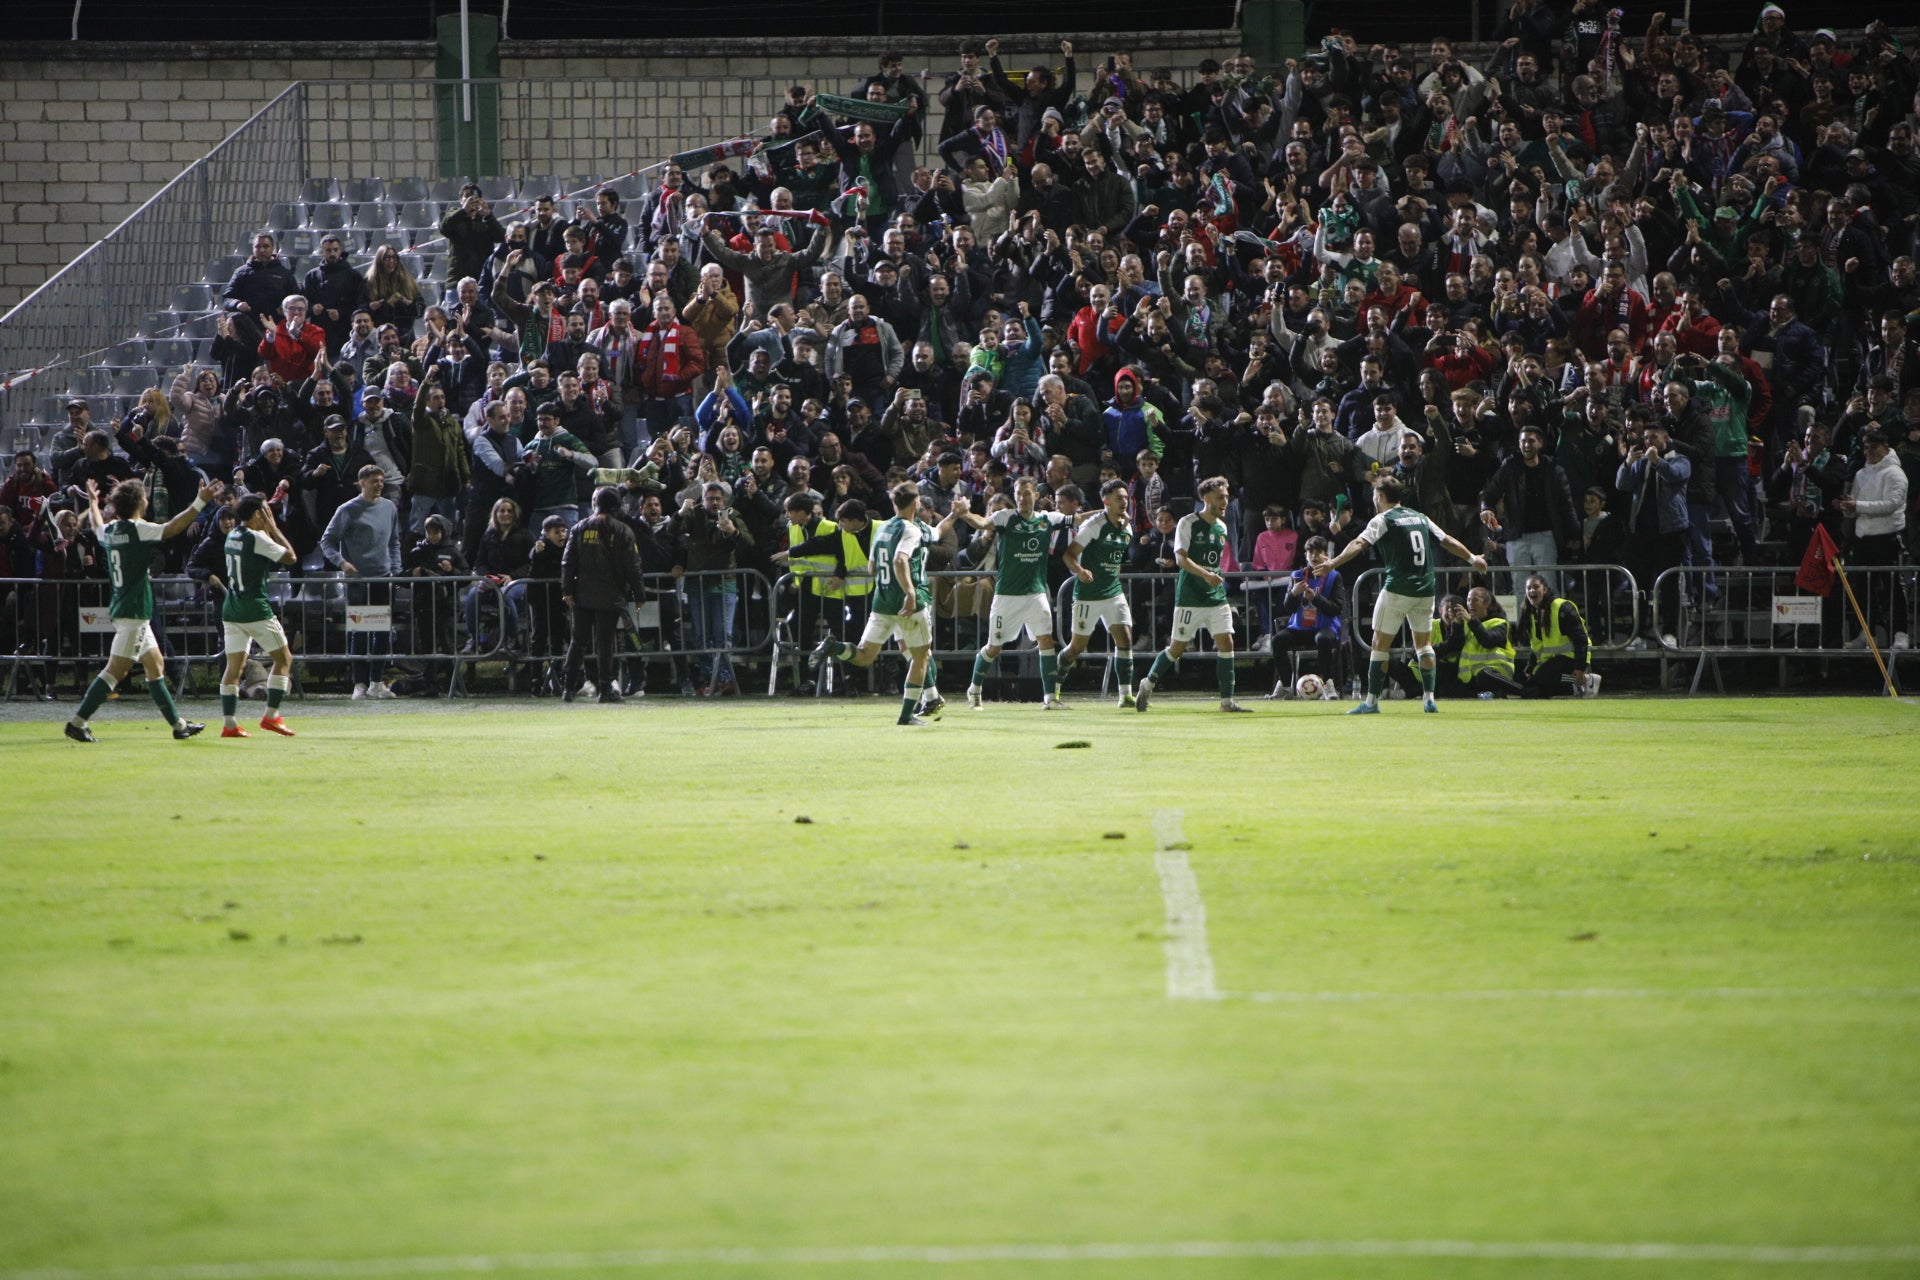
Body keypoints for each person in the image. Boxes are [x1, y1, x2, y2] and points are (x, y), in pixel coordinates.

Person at [62, 477, 219, 744]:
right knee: (114, 672)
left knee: (156, 665)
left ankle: (179, 725)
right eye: (145, 497)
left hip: (128, 609)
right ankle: (77, 722)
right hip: (133, 612)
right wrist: (200, 501)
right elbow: (172, 528)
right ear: (139, 503)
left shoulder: (112, 531)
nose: (147, 500)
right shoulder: (139, 529)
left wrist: (92, 501)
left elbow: (97, 524)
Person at [1321, 473, 1489, 715]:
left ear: (1379, 496)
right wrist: (1473, 558)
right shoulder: (1420, 517)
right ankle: (1429, 698)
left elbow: (1359, 544)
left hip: (1398, 590)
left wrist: (1334, 562)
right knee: (1424, 645)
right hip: (1425, 591)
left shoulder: (1383, 519)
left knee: (1380, 645)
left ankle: (1371, 702)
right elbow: (1447, 540)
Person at [812, 484, 959, 726]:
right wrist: (910, 593)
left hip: (881, 602)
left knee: (864, 656)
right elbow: (900, 561)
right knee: (921, 657)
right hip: (908, 603)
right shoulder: (910, 530)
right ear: (916, 503)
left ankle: (835, 647)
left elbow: (872, 567)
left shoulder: (882, 528)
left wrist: (955, 514)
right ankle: (906, 715)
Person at [1133, 476, 1252, 714]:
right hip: (1190, 596)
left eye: (1227, 497)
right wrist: (1206, 575)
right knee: (1176, 649)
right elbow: (1180, 559)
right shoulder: (1188, 523)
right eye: (1220, 497)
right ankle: (1147, 683)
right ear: (1206, 499)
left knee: (1226, 642)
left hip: (1215, 596)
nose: (1225, 501)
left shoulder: (1222, 526)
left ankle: (1227, 702)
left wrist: (1213, 577)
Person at [958, 476, 1071, 710]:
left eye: (1027, 493)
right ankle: (974, 689)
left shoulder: (1046, 519)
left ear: (1036, 495)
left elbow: (1077, 518)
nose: (1022, 497)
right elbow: (981, 523)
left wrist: (1105, 513)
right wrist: (964, 514)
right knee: (994, 647)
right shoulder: (1006, 517)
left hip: (1036, 593)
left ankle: (1050, 698)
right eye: (1019, 493)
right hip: (1007, 595)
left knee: (1046, 641)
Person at [217, 492, 301, 738]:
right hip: (255, 609)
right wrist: (274, 528)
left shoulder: (233, 535)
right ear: (257, 514)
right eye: (266, 511)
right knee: (284, 659)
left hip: (231, 608)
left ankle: (230, 724)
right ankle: (271, 717)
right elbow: (291, 557)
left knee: (234, 667)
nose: (269, 516)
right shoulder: (258, 538)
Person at [319, 464, 404, 699]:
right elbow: (327, 541)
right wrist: (342, 563)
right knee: (360, 631)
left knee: (382, 632)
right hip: (357, 580)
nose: (379, 485)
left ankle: (377, 681)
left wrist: (395, 569)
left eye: (381, 481)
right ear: (362, 482)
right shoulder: (348, 509)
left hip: (383, 578)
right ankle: (359, 683)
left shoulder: (389, 508)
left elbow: (394, 542)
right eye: (374, 481)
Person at [1055, 479, 1139, 707]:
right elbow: (1068, 555)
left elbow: (1116, 559)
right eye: (1119, 498)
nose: (1124, 502)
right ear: (1106, 502)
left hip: (1113, 592)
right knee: (1077, 647)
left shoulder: (1127, 527)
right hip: (1088, 595)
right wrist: (1081, 571)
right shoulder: (1094, 525)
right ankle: (1054, 688)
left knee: (1125, 639)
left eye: (1125, 498)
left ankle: (1125, 696)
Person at [561, 486, 648, 704]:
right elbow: (633, 566)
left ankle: (568, 687)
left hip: (583, 593)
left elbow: (568, 562)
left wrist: (567, 590)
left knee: (577, 641)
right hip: (611, 594)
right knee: (605, 643)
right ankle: (605, 688)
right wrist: (639, 594)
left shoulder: (579, 527)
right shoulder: (623, 530)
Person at [1265, 535, 1347, 698]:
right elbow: (1287, 608)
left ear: (1326, 555)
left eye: (1319, 552)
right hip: (1300, 627)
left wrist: (1315, 598)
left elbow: (1336, 608)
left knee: (1323, 639)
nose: (1315, 557)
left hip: (1325, 626)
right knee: (1277, 641)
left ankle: (1328, 684)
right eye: (1311, 552)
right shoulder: (1297, 575)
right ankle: (1285, 684)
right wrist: (1293, 594)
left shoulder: (1334, 576)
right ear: (1305, 555)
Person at [1514, 573, 1596, 698]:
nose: (1532, 591)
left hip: (1570, 659)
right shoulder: (1531, 613)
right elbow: (1536, 647)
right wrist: (1530, 669)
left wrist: (1580, 667)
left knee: (1540, 682)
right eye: (1528, 588)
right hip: (1551, 662)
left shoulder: (1562, 607)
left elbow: (1581, 639)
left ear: (1545, 589)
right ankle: (1570, 688)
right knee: (1530, 690)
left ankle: (1585, 680)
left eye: (1536, 587)